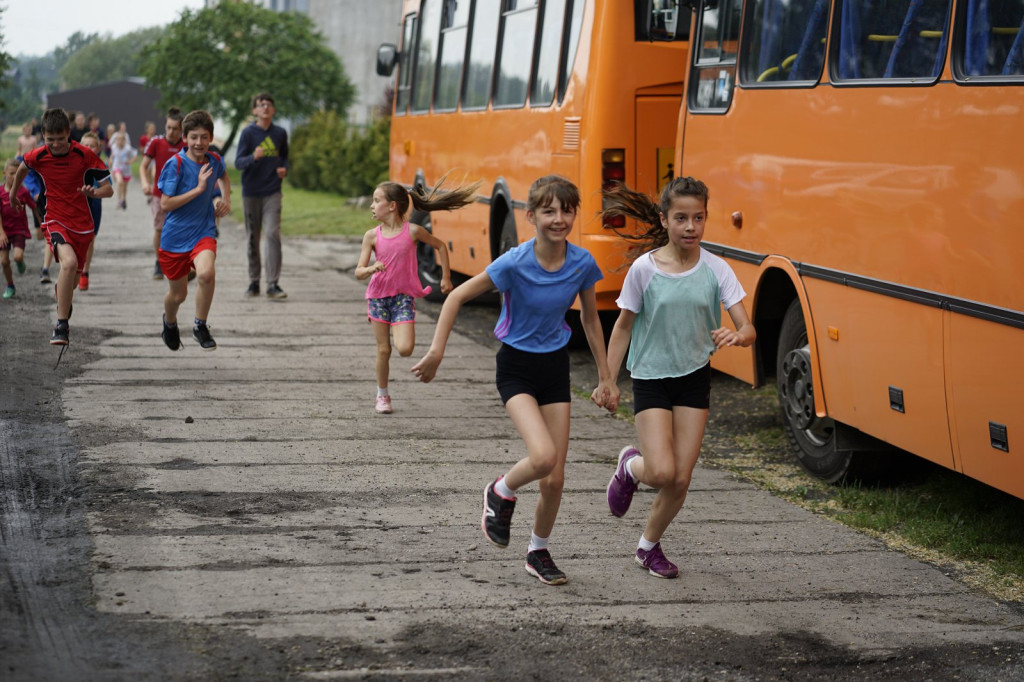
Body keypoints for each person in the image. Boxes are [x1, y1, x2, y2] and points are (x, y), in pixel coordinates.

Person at [411, 175, 618, 586]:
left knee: (554, 478)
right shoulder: (514, 262)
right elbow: (455, 297)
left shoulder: (581, 263)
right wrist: (436, 351)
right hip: (517, 368)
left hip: (554, 367)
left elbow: (591, 320)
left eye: (567, 210)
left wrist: (606, 376)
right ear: (531, 216)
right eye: (549, 211)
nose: (559, 218)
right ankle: (499, 490)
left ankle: (537, 551)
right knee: (543, 457)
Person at [600, 177, 756, 579]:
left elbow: (748, 327)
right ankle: (631, 469)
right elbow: (622, 328)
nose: (691, 226)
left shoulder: (716, 269)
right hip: (651, 376)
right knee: (661, 472)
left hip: (693, 378)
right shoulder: (644, 270)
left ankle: (648, 547)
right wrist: (609, 380)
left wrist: (738, 335)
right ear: (664, 219)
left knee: (681, 478)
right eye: (681, 218)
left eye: (698, 218)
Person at [354, 178, 474, 414]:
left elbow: (440, 246)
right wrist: (370, 269)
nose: (372, 205)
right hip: (377, 297)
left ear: (392, 206)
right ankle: (382, 395)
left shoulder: (414, 232)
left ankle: (386, 387)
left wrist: (446, 277)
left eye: (376, 200)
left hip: (402, 298)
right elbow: (358, 271)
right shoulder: (372, 236)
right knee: (384, 350)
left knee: (405, 349)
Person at [10, 107, 112, 345]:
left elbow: (109, 189)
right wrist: (14, 195)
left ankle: (64, 295)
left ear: (69, 133)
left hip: (83, 225)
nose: (55, 144)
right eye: (49, 140)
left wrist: (94, 192)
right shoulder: (39, 155)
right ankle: (61, 325)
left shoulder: (84, 154)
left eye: (60, 139)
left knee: (72, 281)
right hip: (54, 219)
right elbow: (22, 168)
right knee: (69, 262)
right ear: (43, 136)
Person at [156, 109, 230, 352]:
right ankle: (169, 323)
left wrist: (225, 200)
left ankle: (200, 325)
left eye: (204, 137)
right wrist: (198, 190)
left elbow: (224, 176)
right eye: (194, 137)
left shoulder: (215, 160)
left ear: (211, 138)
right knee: (178, 296)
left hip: (203, 231)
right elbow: (165, 204)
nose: (199, 143)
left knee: (206, 274)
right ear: (185, 138)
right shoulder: (175, 164)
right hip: (174, 238)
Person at [235, 92, 289, 299]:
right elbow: (239, 162)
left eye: (269, 105)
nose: (265, 108)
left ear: (273, 110)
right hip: (251, 193)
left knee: (273, 233)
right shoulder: (248, 134)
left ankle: (273, 283)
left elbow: (285, 157)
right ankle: (254, 281)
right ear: (255, 110)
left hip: (272, 191)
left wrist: (284, 168)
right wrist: (252, 157)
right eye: (261, 105)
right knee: (252, 237)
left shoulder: (280, 133)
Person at [140, 107, 185, 280]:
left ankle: (179, 261)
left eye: (175, 128)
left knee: (179, 228)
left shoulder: (186, 145)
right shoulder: (156, 143)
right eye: (169, 127)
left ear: (181, 129)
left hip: (180, 196)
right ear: (165, 126)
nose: (172, 132)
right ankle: (159, 263)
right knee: (160, 228)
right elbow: (144, 166)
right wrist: (145, 183)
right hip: (159, 194)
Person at [1, 159, 40, 299]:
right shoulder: (0, 192)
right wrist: (1, 233)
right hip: (3, 231)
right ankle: (10, 285)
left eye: (17, 174)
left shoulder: (23, 192)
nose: (14, 176)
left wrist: (42, 224)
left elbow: (34, 207)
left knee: (17, 256)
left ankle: (20, 262)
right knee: (4, 261)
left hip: (19, 230)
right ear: (4, 173)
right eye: (11, 173)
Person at [77, 133, 106, 291]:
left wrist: (94, 193)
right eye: (85, 145)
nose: (88, 148)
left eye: (92, 146)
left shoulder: (100, 165)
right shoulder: (73, 164)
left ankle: (85, 272)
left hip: (94, 204)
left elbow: (107, 189)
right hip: (76, 204)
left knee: (90, 239)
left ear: (98, 148)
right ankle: (75, 268)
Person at [108, 131, 137, 210]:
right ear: (116, 140)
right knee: (120, 181)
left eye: (121, 140)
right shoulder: (114, 146)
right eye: (118, 140)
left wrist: (130, 161)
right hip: (116, 167)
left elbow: (135, 156)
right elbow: (113, 154)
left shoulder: (128, 148)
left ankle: (124, 199)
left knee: (124, 186)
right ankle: (119, 200)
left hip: (126, 169)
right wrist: (110, 160)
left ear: (124, 140)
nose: (119, 141)